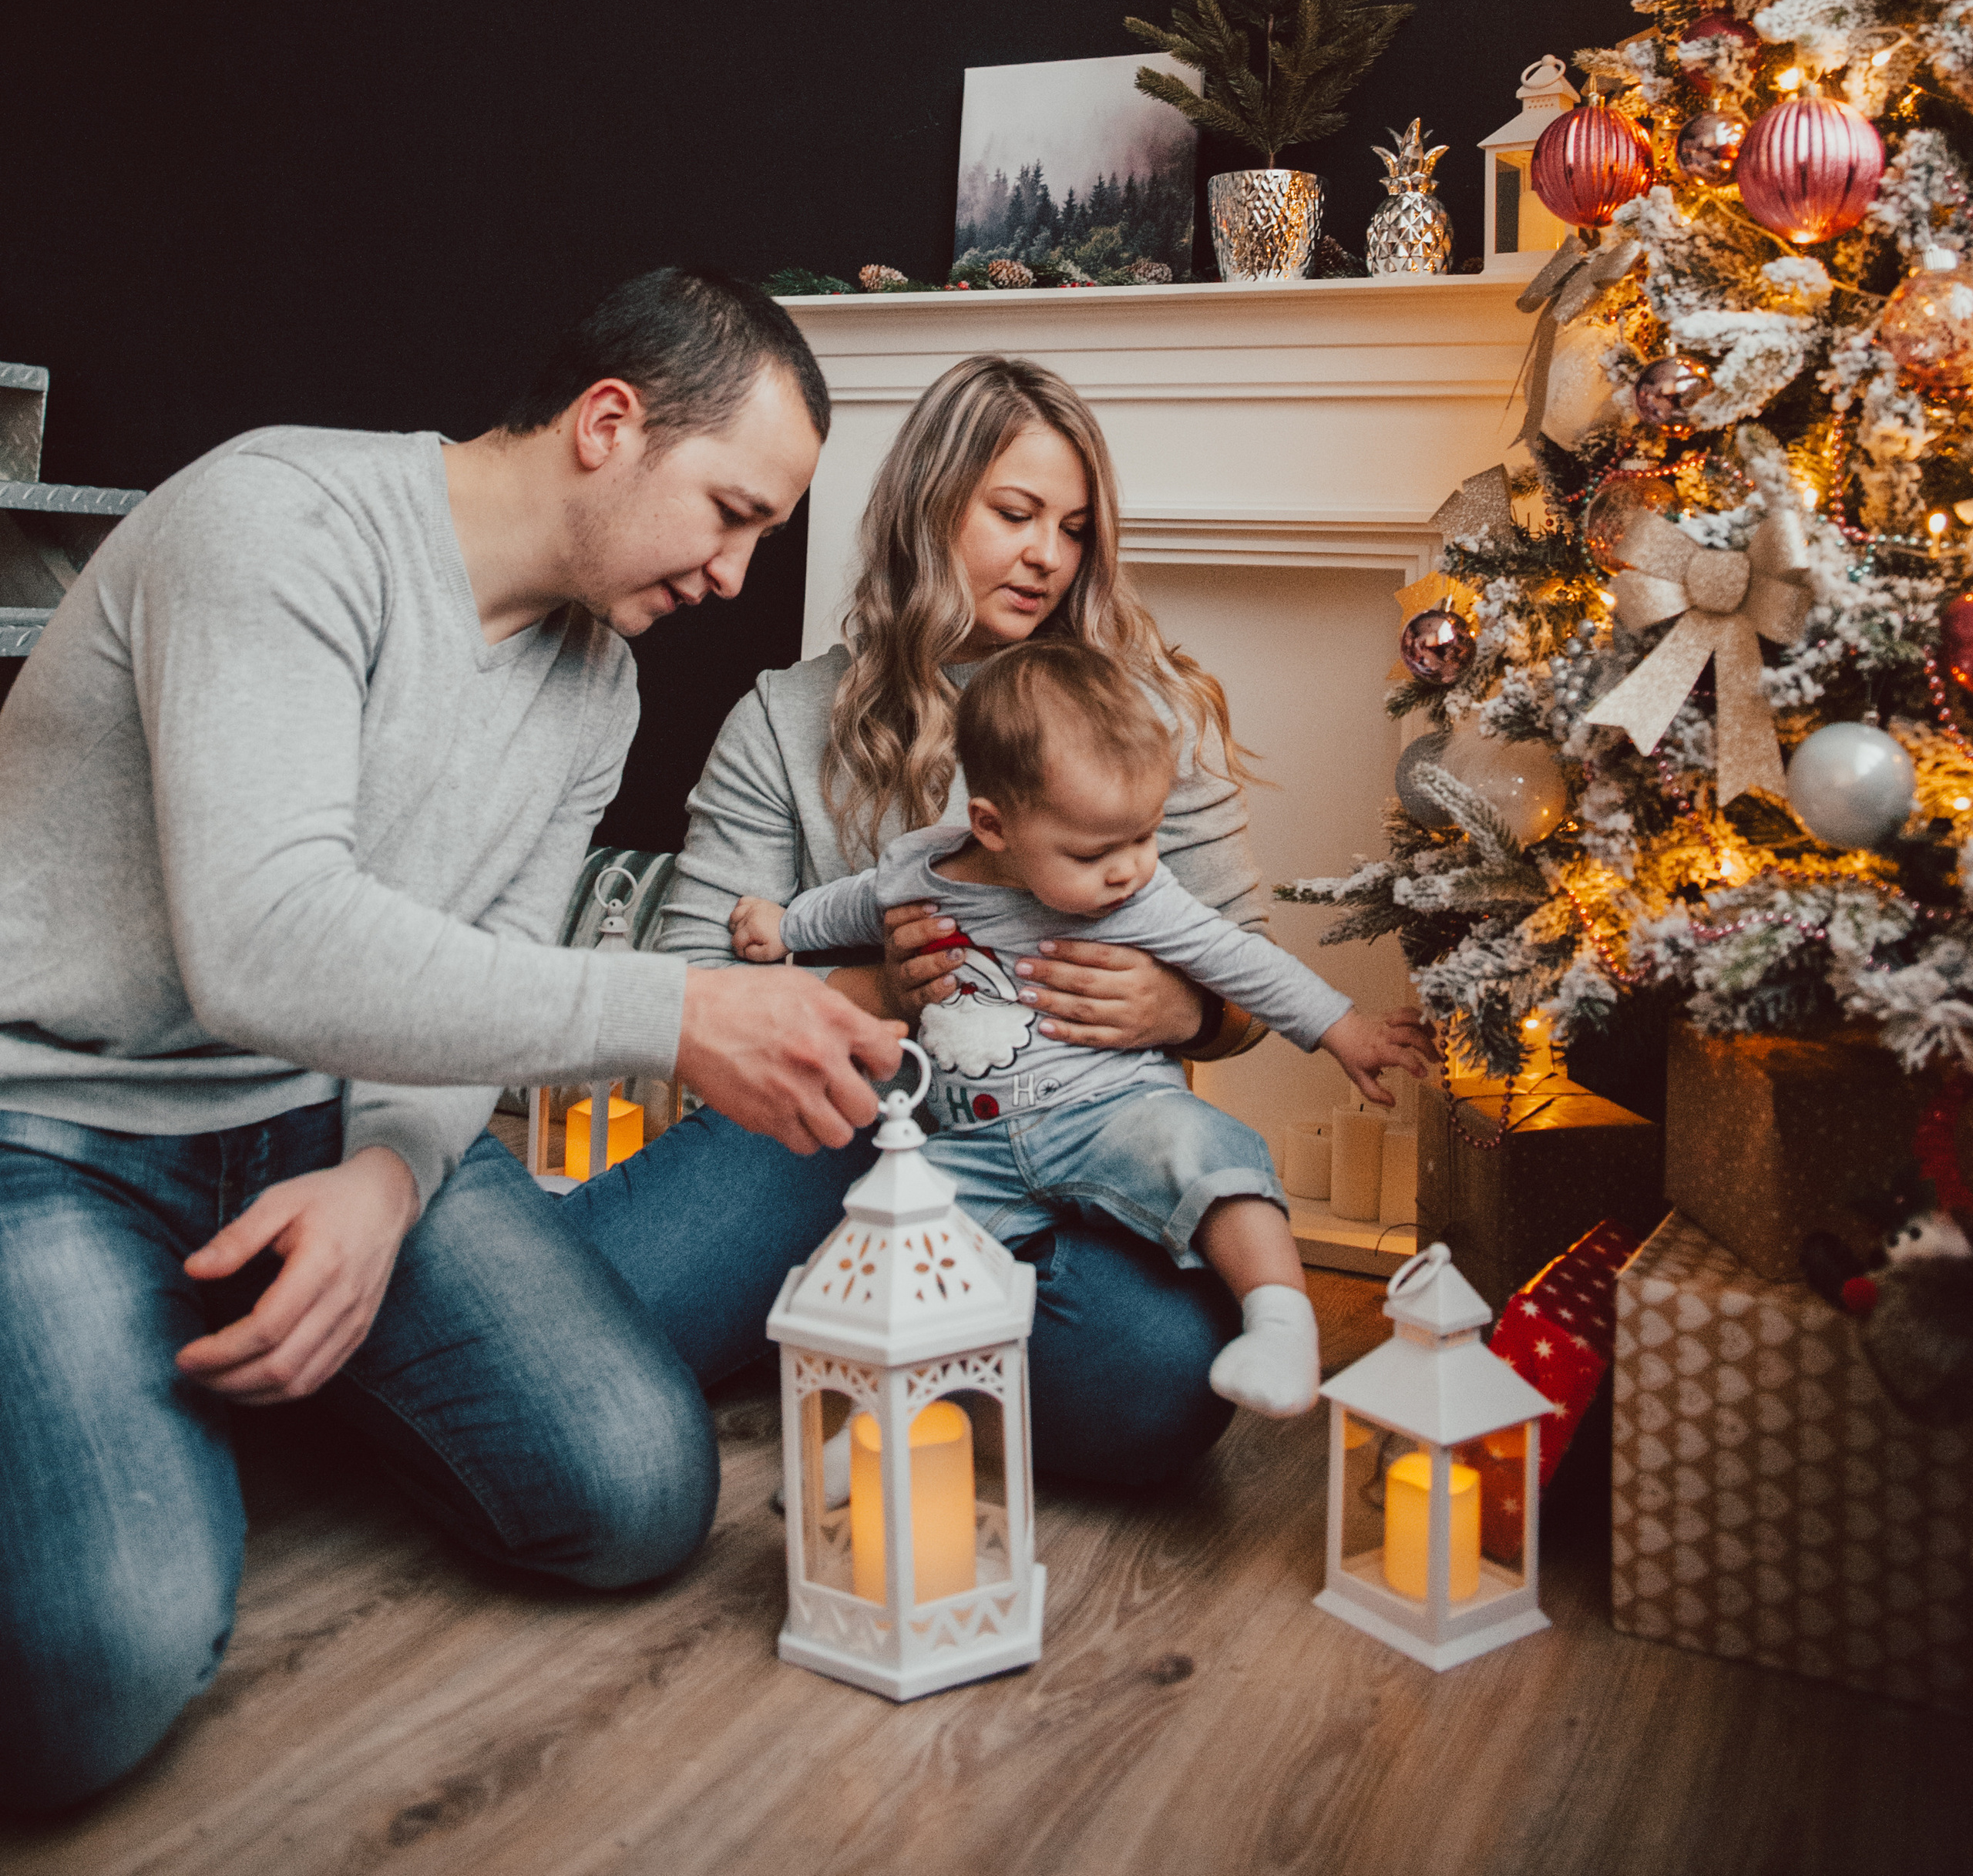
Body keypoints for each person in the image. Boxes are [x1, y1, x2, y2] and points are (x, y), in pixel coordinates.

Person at [0, 269, 903, 1813]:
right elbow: (265, 942)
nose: (742, 575)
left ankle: (202, 1384)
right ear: (608, 425)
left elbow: (477, 971)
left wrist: (389, 1179)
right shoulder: (277, 524)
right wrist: (672, 1009)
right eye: (732, 512)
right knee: (97, 1672)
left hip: (319, 1125)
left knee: (635, 1492)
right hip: (51, 1135)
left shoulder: (596, 685)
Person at [563, 351, 1360, 1484]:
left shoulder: (1144, 714)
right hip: (838, 1131)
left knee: (1158, 1381)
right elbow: (694, 979)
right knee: (598, 1316)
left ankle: (869, 1340)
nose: (1048, 553)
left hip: (1076, 1146)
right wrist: (881, 992)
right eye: (1016, 512)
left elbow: (1246, 986)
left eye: (1075, 527)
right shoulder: (787, 719)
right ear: (930, 508)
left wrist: (1182, 1008)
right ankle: (873, 1322)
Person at [734, 639, 1430, 1421]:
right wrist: (785, 924)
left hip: (1115, 1113)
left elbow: (1240, 961)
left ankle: (1279, 1324)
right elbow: (856, 902)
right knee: (898, 1254)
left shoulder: (1140, 897)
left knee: (1207, 1152)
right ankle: (873, 1437)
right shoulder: (917, 869)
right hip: (968, 1141)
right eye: (1096, 851)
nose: (1130, 869)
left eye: (1146, 836)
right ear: (992, 826)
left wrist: (1343, 1030)